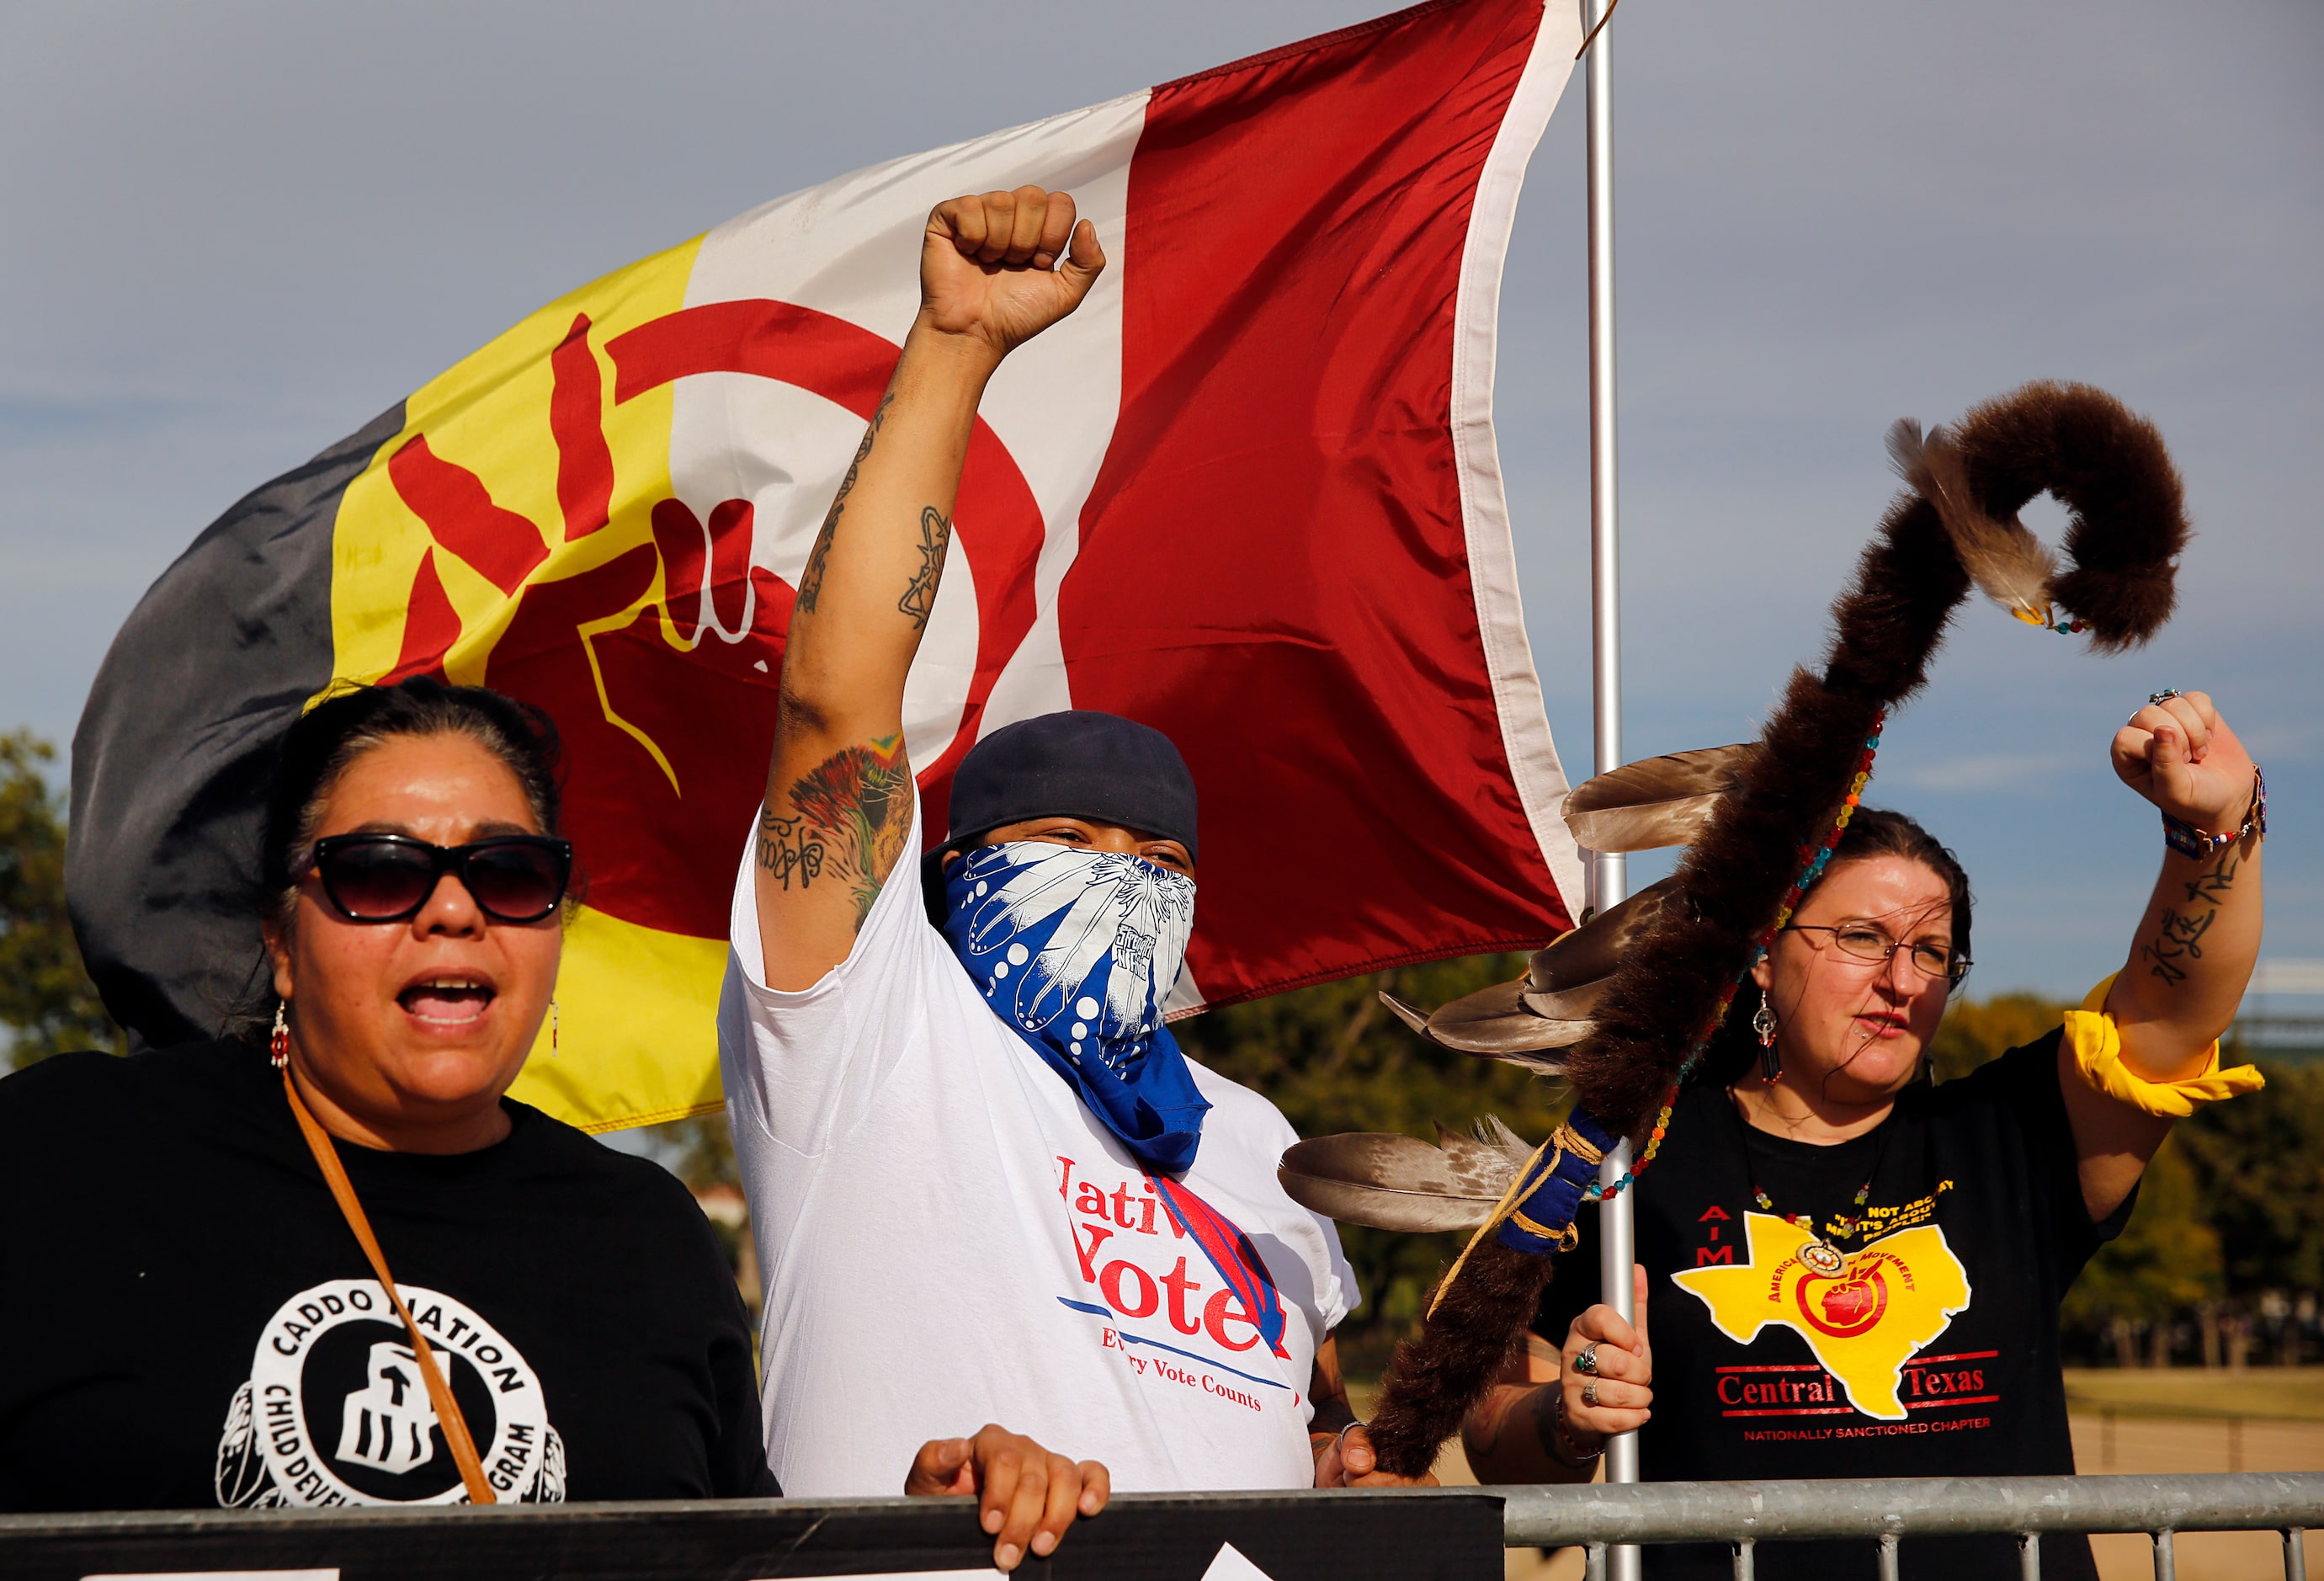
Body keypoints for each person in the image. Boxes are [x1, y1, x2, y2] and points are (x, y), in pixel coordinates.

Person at [0, 678, 1104, 1572]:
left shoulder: (648, 1236)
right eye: (378, 871)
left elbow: (739, 1568)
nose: (450, 906)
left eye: (509, 872)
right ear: (281, 940)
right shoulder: (64, 1158)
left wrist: (913, 1537)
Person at [720, 186, 1423, 1497]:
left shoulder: (1257, 1141)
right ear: (948, 874)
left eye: (1158, 863)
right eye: (1067, 836)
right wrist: (956, 347)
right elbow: (836, 702)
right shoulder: (872, 1029)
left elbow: (1319, 1425)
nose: (1118, 877)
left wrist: (1351, 1475)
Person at [1460, 689, 2266, 1578]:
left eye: (1929, 953)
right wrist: (1568, 1418)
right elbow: (1492, 1428)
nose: (1900, 980)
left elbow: (2167, 1016)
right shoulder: (1627, 1159)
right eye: (1859, 936)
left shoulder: (2012, 1136)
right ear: (1763, 953)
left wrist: (2215, 828)